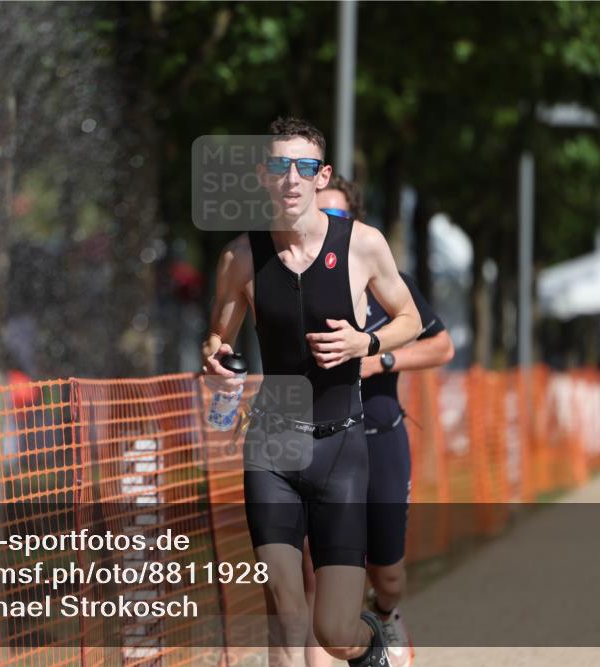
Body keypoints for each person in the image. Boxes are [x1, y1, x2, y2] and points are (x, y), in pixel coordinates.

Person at [201, 117, 422, 667]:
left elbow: (411, 320)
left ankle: (373, 649)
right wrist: (214, 363)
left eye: (303, 167)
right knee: (285, 610)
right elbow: (216, 342)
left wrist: (363, 343)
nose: (291, 179)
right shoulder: (241, 258)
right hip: (272, 447)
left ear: (321, 176)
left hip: (342, 449)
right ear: (263, 177)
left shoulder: (362, 245)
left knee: (334, 632)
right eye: (279, 166)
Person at [296, 176, 454, 667]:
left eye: (337, 216)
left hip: (380, 437)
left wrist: (379, 359)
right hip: (319, 444)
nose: (326, 225)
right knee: (318, 581)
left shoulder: (386, 278)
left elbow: (442, 346)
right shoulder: (293, 280)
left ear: (355, 223)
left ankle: (385, 616)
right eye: (317, 215)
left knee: (387, 575)